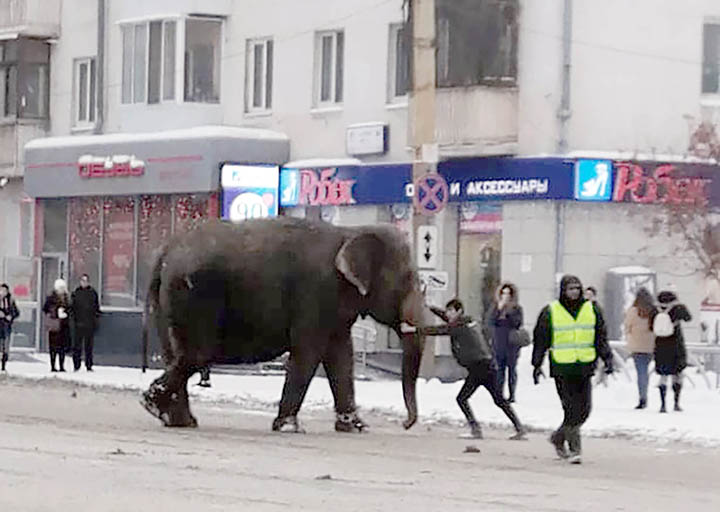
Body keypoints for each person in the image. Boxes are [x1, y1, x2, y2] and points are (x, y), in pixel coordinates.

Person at [402, 299, 526, 440]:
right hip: (487, 366)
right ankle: (519, 428)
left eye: (450, 311)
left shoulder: (457, 326)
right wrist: (431, 307)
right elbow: (447, 320)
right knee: (499, 400)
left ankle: (476, 430)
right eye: (447, 311)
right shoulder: (467, 321)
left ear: (458, 311)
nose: (448, 314)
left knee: (462, 399)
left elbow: (439, 330)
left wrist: (412, 330)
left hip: (479, 368)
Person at [532, 275, 613, 464]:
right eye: (570, 289)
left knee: (585, 409)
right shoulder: (551, 311)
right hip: (562, 366)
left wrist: (607, 358)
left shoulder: (592, 309)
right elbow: (541, 340)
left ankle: (558, 437)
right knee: (570, 409)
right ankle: (575, 449)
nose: (574, 292)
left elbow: (600, 337)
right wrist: (537, 364)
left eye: (577, 288)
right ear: (563, 291)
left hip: (584, 365)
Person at [654, 290, 691, 413]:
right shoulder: (677, 309)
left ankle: (663, 404)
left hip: (661, 346)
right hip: (676, 345)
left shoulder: (655, 310)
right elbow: (688, 318)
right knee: (677, 374)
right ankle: (676, 403)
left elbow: (650, 326)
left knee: (663, 376)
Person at [489, 282, 523, 402]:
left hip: (512, 343)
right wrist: (499, 308)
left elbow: (518, 323)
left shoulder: (517, 308)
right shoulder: (496, 306)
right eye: (503, 293)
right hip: (499, 342)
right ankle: (499, 393)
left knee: (512, 369)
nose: (506, 296)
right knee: (500, 370)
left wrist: (508, 313)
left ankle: (512, 394)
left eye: (508, 293)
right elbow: (491, 321)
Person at [623, 287, 657, 409]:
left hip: (637, 346)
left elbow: (627, 327)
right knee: (646, 371)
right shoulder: (654, 311)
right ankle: (647, 394)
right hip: (651, 345)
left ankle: (643, 397)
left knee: (641, 372)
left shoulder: (633, 311)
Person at [71, 274, 100, 372]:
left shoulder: (92, 293)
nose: (84, 282)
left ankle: (89, 364)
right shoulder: (76, 293)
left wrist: (95, 321)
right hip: (78, 323)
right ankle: (76, 364)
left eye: (85, 280)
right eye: (82, 280)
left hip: (89, 324)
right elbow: (72, 308)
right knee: (77, 345)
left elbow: (96, 308)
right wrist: (74, 320)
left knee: (89, 345)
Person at [43, 279, 71, 372]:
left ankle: (62, 365)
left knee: (62, 347)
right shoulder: (51, 298)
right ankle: (53, 365)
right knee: (53, 347)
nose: (62, 290)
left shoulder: (67, 298)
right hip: (54, 325)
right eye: (60, 288)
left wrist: (66, 313)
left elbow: (70, 308)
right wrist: (55, 312)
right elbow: (45, 309)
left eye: (63, 288)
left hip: (64, 324)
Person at [0, 283, 20, 371]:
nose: (2, 292)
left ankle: (3, 365)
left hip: (6, 326)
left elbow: (16, 312)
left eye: (4, 291)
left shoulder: (10, 300)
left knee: (5, 346)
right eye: (1, 290)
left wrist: (10, 316)